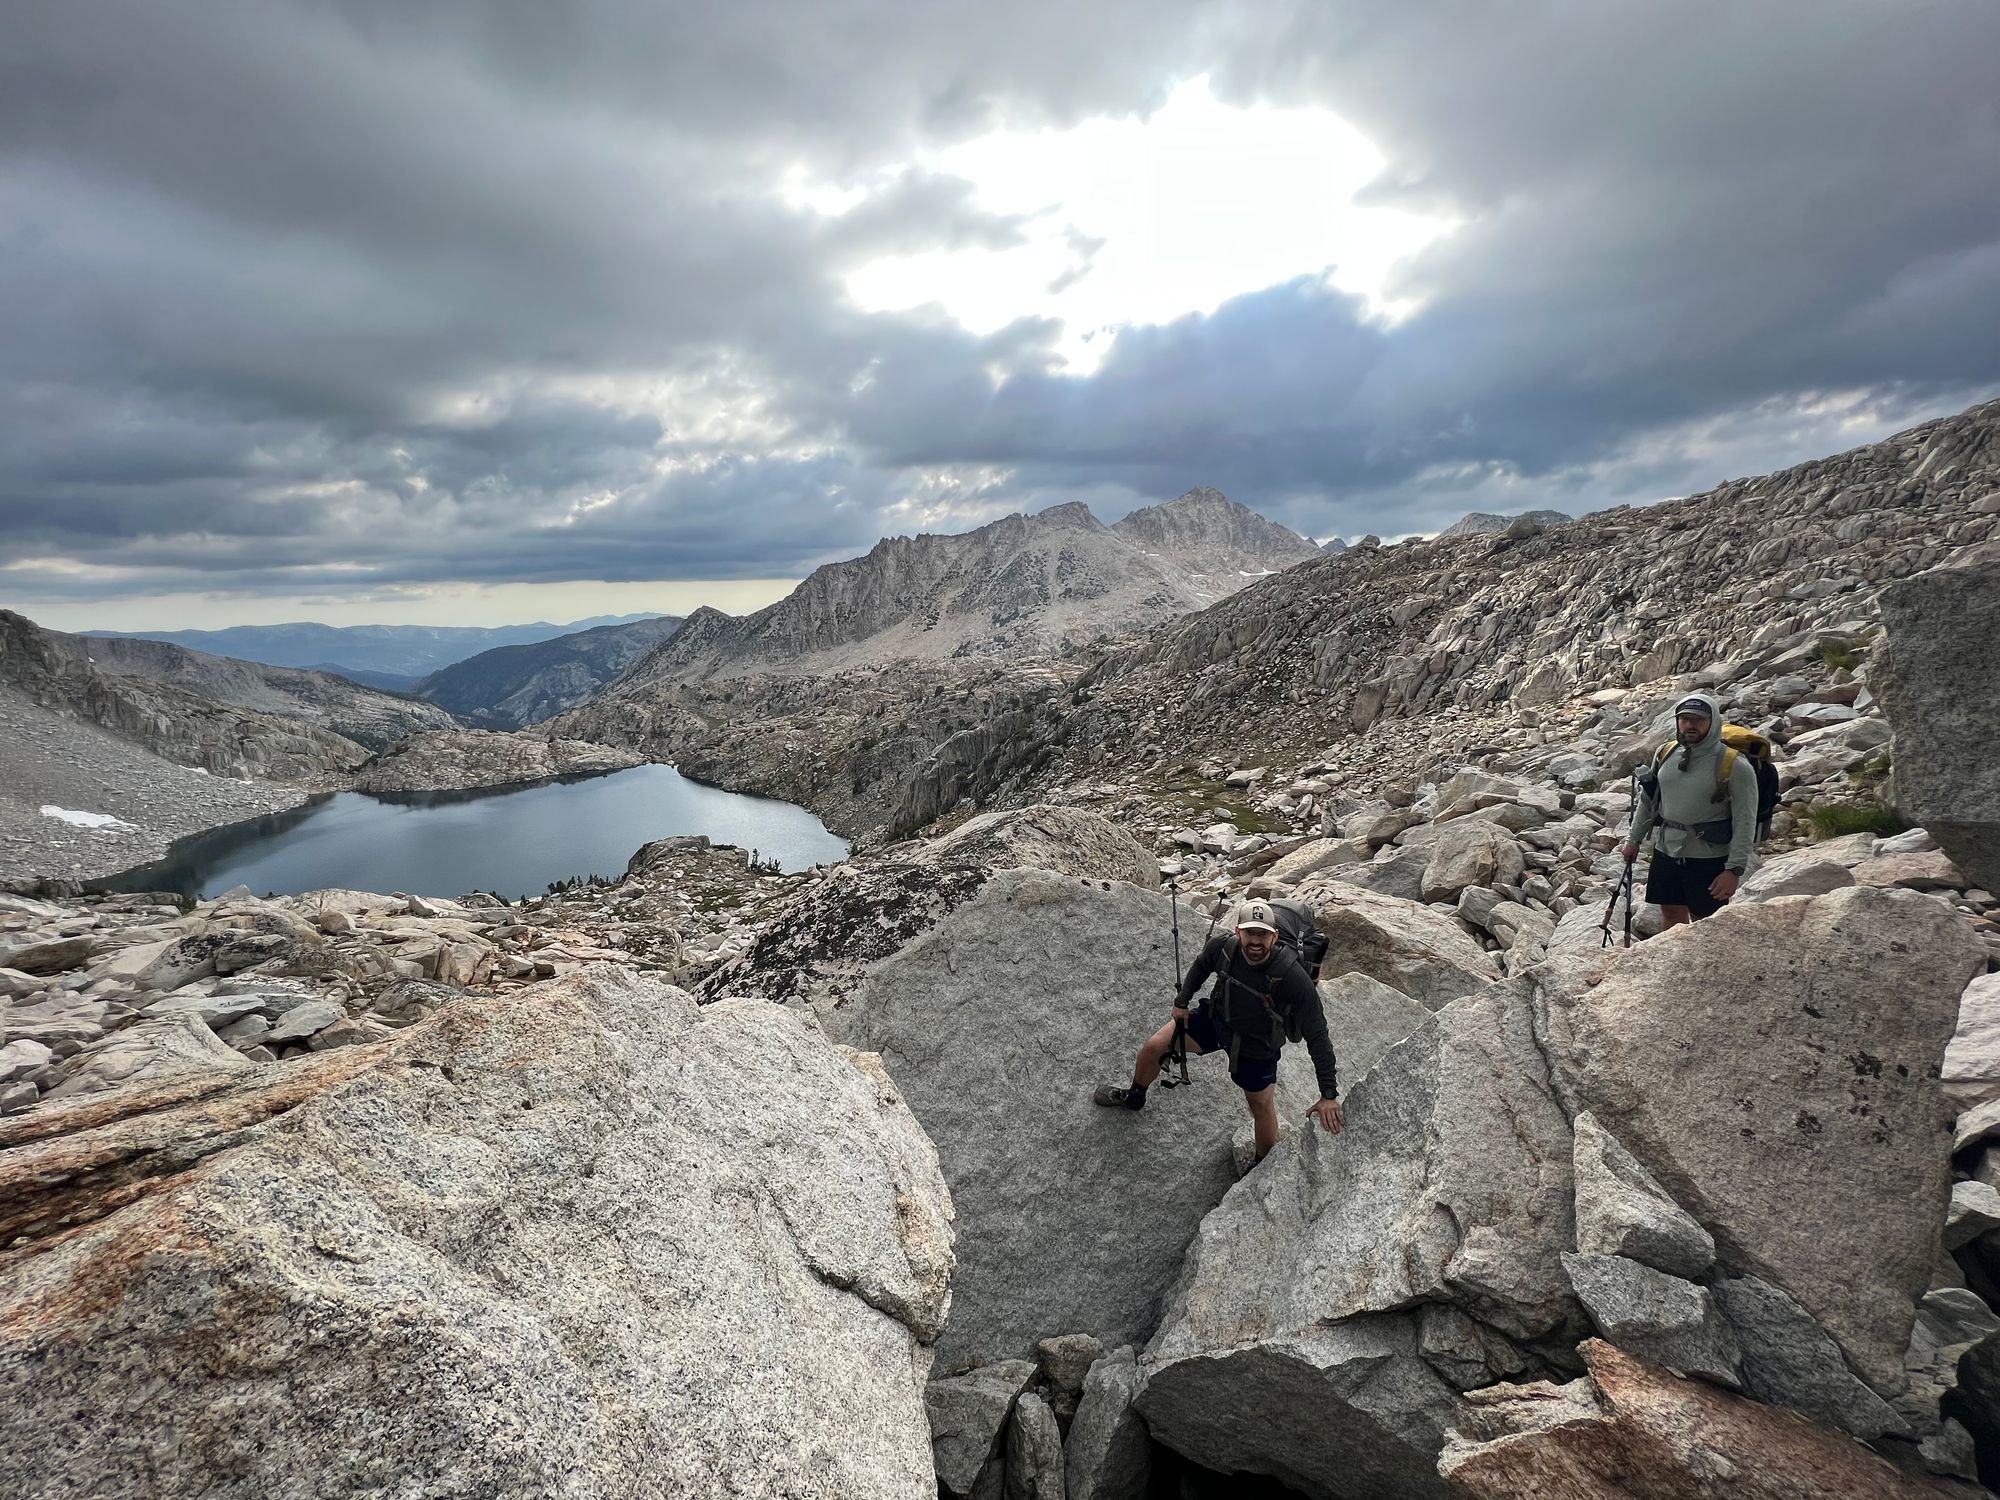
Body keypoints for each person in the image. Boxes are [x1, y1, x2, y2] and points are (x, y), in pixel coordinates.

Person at [1092, 899, 1343, 1162]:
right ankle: (1134, 1096)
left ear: (1275, 936)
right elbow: (1202, 965)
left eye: (1263, 934)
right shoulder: (1224, 948)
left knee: (1261, 1105)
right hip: (1217, 1019)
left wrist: (1328, 1094)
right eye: (1250, 933)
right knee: (1155, 1047)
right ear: (1238, 932)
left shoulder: (1292, 977)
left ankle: (1260, 1167)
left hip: (1257, 1044)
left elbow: (1318, 1035)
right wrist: (1182, 1002)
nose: (1255, 941)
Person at [1621, 690, 1758, 929]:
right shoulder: (1666, 752)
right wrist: (1633, 840)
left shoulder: (1734, 764)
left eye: (1698, 720)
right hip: (1666, 851)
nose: (1689, 725)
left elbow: (1745, 820)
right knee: (1670, 910)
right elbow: (1649, 800)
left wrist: (1734, 870)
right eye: (1684, 719)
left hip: (1708, 858)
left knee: (1706, 922)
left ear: (1713, 722)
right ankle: (1670, 961)